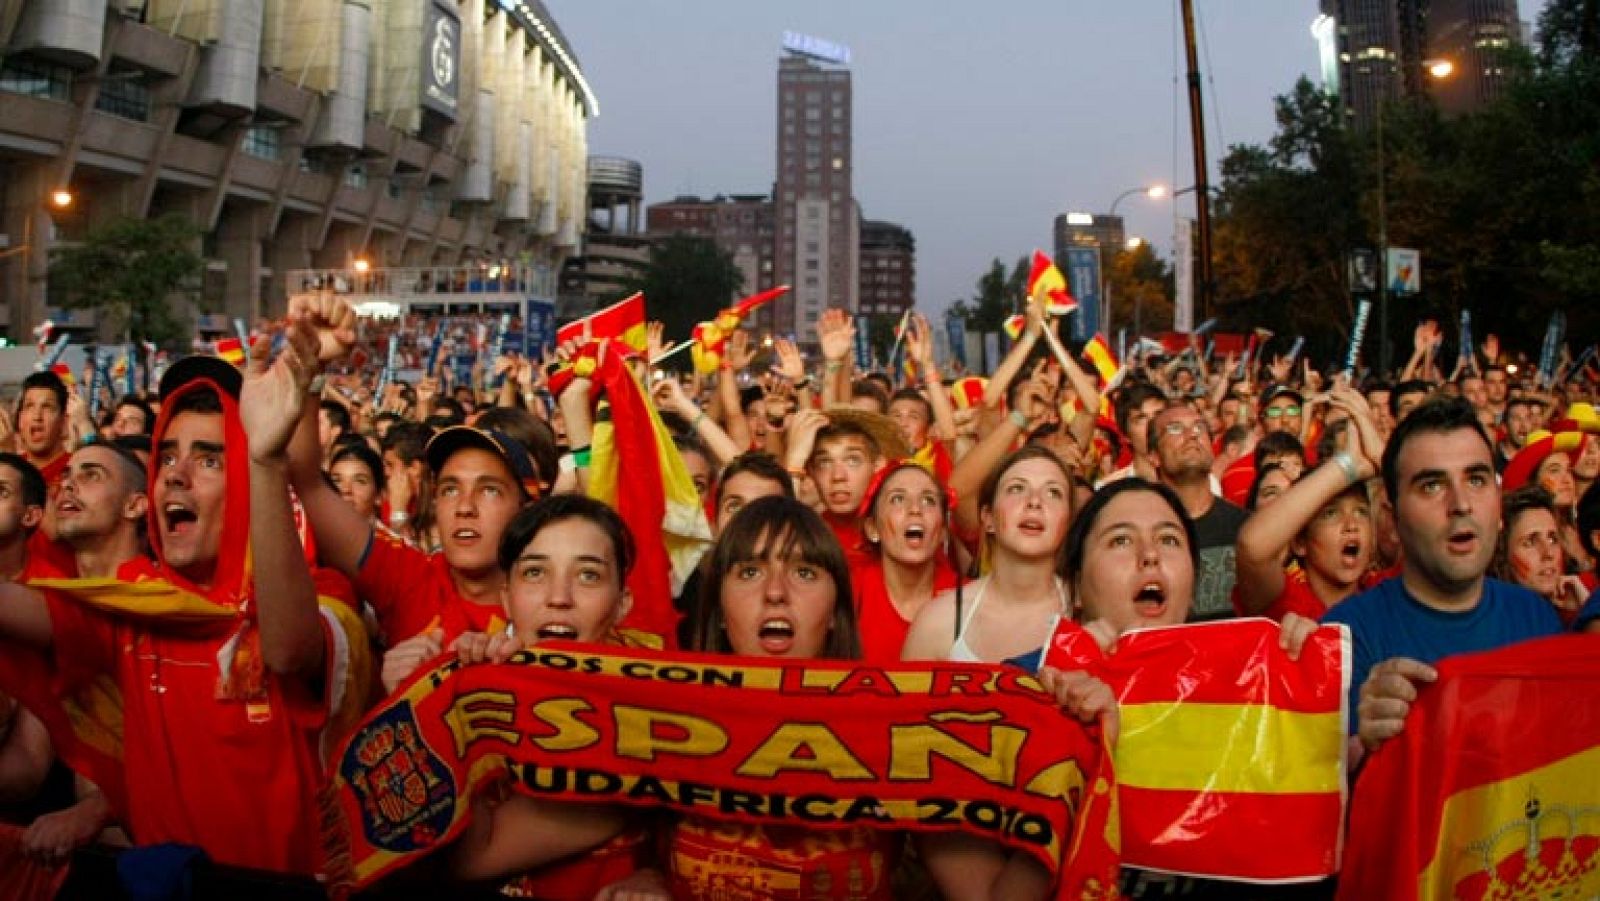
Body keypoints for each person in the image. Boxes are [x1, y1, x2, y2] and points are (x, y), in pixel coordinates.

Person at [0, 310, 369, 875]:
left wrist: (267, 459)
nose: (174, 474)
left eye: (209, 459)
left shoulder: (321, 591)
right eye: (168, 455)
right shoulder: (133, 602)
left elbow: (288, 651)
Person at [1320, 396, 1565, 757]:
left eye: (1477, 479)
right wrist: (1358, 749)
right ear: (1392, 514)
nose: (1461, 503)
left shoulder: (1537, 619)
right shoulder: (1343, 641)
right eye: (1432, 486)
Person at [434, 495, 652, 897]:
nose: (559, 598)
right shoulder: (486, 673)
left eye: (588, 575)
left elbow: (471, 854)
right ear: (506, 598)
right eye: (535, 573)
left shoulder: (643, 723)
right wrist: (434, 690)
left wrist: (464, 717)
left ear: (622, 604)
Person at [902, 446, 1073, 670]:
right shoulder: (938, 621)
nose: (1034, 501)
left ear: (1068, 522)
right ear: (988, 517)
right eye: (1016, 489)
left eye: (1053, 493)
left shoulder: (1086, 612)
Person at [1235, 390, 1381, 621]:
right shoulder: (1285, 603)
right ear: (1300, 542)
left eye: (1361, 512)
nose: (1351, 525)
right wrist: (1348, 466)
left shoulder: (1384, 593)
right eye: (1331, 514)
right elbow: (1252, 548)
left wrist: (1381, 459)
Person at [1146, 402, 1247, 620]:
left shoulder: (1246, 529)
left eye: (1199, 427)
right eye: (1175, 428)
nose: (1192, 435)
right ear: (1154, 456)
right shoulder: (1140, 534)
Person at [853, 462, 959, 664]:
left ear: (944, 530)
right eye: (898, 499)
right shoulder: (848, 591)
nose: (915, 509)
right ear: (872, 528)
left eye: (928, 500)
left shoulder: (969, 598)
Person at [1491, 486, 1590, 622]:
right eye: (1530, 542)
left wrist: (1587, 610)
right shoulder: (1495, 625)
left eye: (1552, 539)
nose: (1548, 553)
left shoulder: (1575, 611)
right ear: (1501, 553)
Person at [12, 371, 70, 489]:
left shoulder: (74, 471)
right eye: (29, 406)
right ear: (20, 420)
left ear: (64, 421)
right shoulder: (11, 466)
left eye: (47, 407)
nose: (37, 416)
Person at [329, 441, 385, 524]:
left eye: (360, 481)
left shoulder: (388, 537)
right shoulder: (307, 534)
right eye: (336, 481)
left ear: (379, 495)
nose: (345, 490)